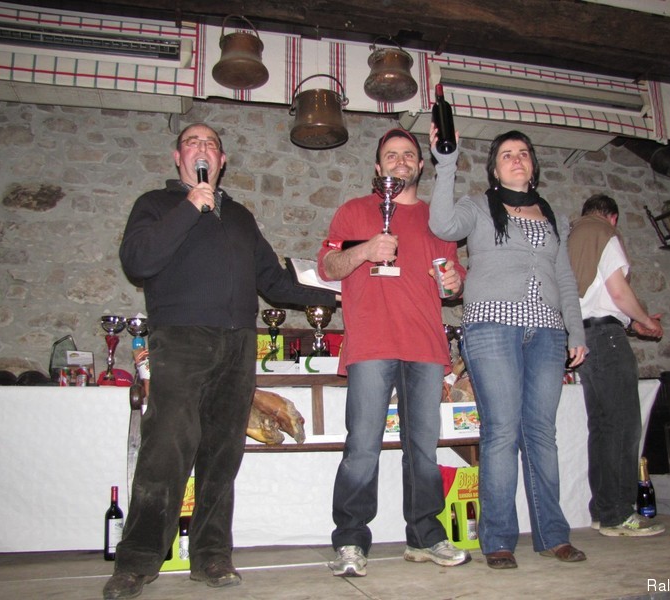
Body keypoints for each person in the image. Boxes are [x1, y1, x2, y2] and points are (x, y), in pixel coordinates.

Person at [105, 123, 336, 600]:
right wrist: (191, 205)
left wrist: (339, 294)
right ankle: (137, 561)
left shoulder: (240, 216)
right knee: (166, 450)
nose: (202, 149)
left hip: (238, 344)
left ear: (222, 159)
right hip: (180, 339)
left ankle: (211, 555)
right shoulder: (156, 205)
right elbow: (138, 261)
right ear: (178, 157)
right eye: (193, 143)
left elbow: (274, 281)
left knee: (222, 455)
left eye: (210, 144)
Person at [428, 126, 587, 569]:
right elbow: (442, 225)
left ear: (532, 165)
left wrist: (575, 331)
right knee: (501, 431)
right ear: (494, 170)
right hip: (492, 327)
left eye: (523, 153)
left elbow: (565, 278)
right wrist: (446, 162)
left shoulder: (551, 215)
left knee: (541, 433)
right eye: (506, 155)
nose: (516, 159)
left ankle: (552, 535)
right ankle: (498, 539)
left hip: (547, 332)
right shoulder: (478, 206)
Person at [318, 127, 470, 577]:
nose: (400, 161)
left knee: (423, 449)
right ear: (377, 166)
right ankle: (350, 541)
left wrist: (453, 282)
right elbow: (328, 267)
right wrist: (366, 250)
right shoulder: (353, 211)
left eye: (408, 154)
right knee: (362, 447)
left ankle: (425, 536)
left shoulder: (438, 220)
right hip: (371, 343)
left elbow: (452, 279)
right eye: (391, 155)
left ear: (421, 165)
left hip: (425, 345)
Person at [567, 194, 666, 537]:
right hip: (606, 339)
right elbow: (618, 293)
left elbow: (591, 299)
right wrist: (647, 322)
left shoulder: (573, 236)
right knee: (623, 426)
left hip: (585, 337)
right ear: (613, 217)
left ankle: (604, 511)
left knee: (603, 427)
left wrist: (632, 323)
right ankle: (619, 513)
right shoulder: (604, 233)